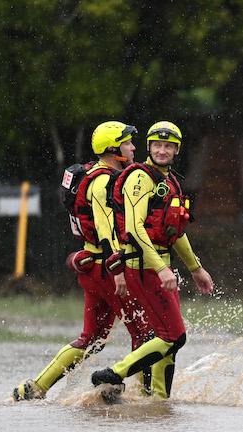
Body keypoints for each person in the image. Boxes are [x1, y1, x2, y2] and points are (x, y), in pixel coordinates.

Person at [13, 121, 151, 401]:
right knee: (145, 336)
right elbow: (105, 229)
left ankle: (35, 388)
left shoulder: (98, 174)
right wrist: (118, 270)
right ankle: (149, 397)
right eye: (127, 142)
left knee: (93, 339)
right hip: (107, 270)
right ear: (114, 149)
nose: (133, 147)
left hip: (93, 266)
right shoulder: (104, 182)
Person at [90, 121, 214, 399]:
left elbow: (174, 232)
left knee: (167, 338)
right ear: (148, 147)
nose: (162, 150)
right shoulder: (139, 178)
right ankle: (113, 374)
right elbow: (134, 230)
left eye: (168, 146)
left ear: (176, 150)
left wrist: (196, 268)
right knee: (174, 337)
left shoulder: (169, 181)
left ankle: (157, 399)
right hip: (143, 268)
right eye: (157, 145)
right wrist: (161, 269)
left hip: (159, 267)